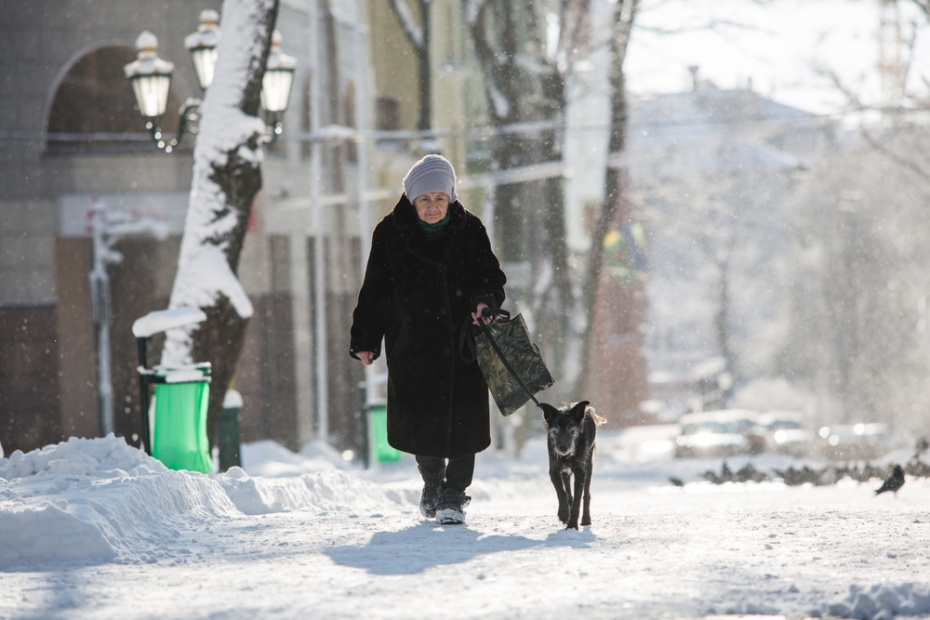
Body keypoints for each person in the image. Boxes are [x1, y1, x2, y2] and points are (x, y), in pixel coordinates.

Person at [350, 154, 506, 525]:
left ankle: (455, 492)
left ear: (451, 196)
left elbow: (491, 277)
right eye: (425, 199)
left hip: (463, 341)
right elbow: (375, 290)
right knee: (422, 419)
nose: (433, 206)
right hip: (412, 342)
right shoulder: (389, 233)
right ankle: (432, 482)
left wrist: (484, 302)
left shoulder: (471, 230)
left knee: (464, 420)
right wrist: (366, 338)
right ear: (411, 200)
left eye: (440, 198)